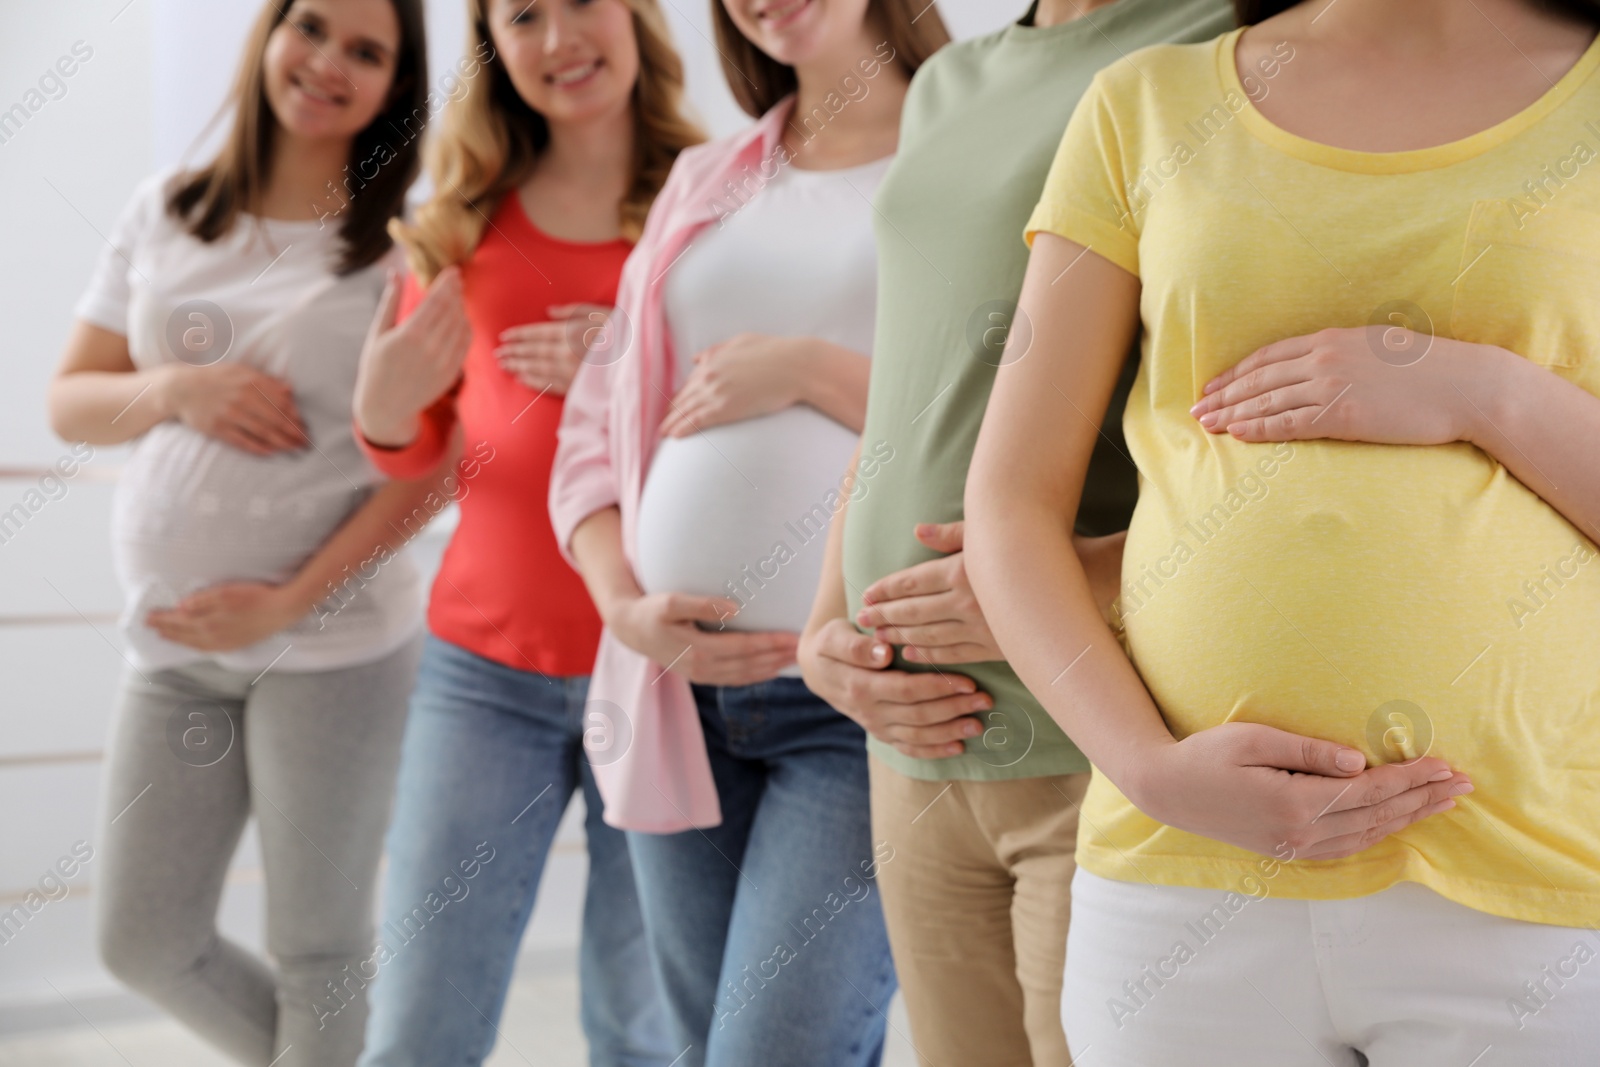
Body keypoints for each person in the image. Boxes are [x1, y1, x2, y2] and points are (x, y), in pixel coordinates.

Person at [965, 0, 1600, 1061]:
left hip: (1534, 882)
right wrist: (1146, 768)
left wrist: (1485, 394)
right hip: (1178, 877)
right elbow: (1011, 499)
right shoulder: (1145, 103)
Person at [795, 1, 1239, 1063]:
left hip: (1089, 734)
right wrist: (822, 628)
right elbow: (911, 377)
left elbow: (1262, 428)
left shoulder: (1219, 39)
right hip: (910, 748)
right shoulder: (951, 82)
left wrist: (1074, 573)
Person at [549, 1, 949, 1062]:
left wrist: (809, 369)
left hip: (855, 691)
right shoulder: (709, 180)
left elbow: (1006, 406)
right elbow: (594, 424)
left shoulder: (960, 152)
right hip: (672, 693)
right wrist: (625, 609)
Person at [49, 1, 436, 1063]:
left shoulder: (406, 246)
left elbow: (440, 463)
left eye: (367, 52)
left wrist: (286, 598)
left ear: (395, 86)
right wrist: (174, 386)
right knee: (142, 937)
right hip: (173, 646)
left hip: (332, 647)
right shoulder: (168, 210)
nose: (327, 63)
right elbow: (71, 399)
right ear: (269, 33)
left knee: (320, 948)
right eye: (311, 27)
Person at [349, 2, 702, 1065]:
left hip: (657, 672)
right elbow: (419, 451)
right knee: (418, 1025)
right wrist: (376, 407)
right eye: (523, 14)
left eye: (583, 1)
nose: (559, 38)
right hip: (481, 670)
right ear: (494, 45)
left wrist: (640, 354)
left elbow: (770, 418)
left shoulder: (714, 199)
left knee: (637, 1029)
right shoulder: (462, 220)